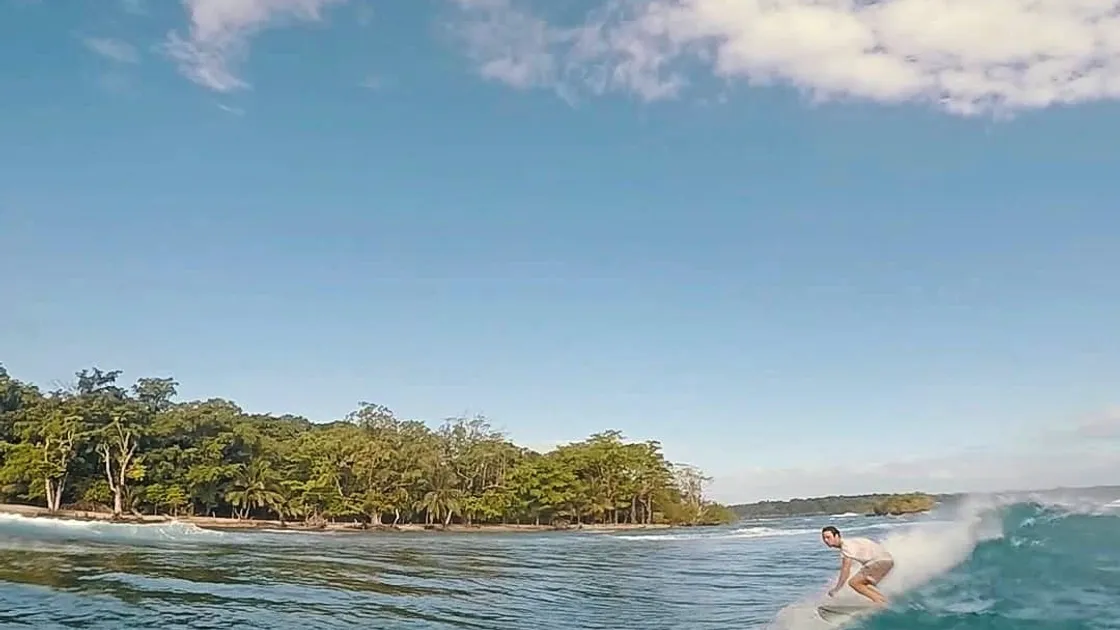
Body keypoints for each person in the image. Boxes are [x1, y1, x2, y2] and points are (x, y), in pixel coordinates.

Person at [821, 525, 893, 606]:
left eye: (828, 537)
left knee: (854, 583)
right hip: (887, 561)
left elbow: (845, 569)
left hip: (879, 561)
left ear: (837, 536)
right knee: (866, 585)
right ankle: (884, 601)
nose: (826, 540)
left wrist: (837, 589)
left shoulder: (846, 546)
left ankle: (879, 603)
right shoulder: (850, 544)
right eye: (824, 538)